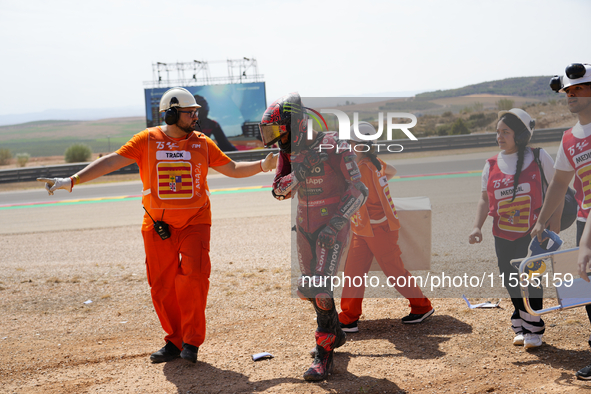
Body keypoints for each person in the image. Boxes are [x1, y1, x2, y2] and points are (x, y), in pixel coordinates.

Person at [38, 87, 276, 365]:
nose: (195, 118)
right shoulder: (147, 140)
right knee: (162, 286)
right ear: (172, 113)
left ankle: (191, 342)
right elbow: (111, 161)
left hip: (195, 222)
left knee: (195, 279)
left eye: (196, 112)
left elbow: (233, 169)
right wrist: (72, 180)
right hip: (158, 225)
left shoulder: (202, 142)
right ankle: (174, 341)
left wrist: (262, 164)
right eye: (190, 113)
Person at [259, 92, 368, 381]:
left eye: (278, 132)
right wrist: (300, 171)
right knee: (306, 290)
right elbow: (278, 191)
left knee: (320, 290)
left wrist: (336, 222)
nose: (275, 140)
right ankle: (336, 333)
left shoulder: (335, 144)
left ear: (296, 126)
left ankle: (323, 358)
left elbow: (359, 189)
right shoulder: (288, 154)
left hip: (332, 227)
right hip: (303, 230)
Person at [468, 108, 561, 349]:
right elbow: (484, 200)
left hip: (534, 233)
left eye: (505, 132)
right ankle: (521, 320)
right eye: (497, 132)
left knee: (532, 279)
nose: (499, 137)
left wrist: (555, 227)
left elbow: (557, 192)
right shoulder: (490, 164)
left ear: (520, 135)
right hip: (502, 235)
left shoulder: (540, 157)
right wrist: (477, 227)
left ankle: (534, 328)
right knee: (510, 279)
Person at [339, 122, 434, 333]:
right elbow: (392, 171)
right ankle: (348, 318)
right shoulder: (373, 162)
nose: (345, 146)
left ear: (358, 145)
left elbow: (357, 198)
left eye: (348, 142)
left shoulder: (363, 168)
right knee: (353, 272)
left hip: (377, 229)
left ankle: (422, 306)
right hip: (364, 228)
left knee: (394, 271)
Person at [531, 63, 591, 379]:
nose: (572, 95)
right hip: (585, 220)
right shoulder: (569, 138)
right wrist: (542, 223)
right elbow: (558, 185)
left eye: (579, 88)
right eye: (569, 90)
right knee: (587, 287)